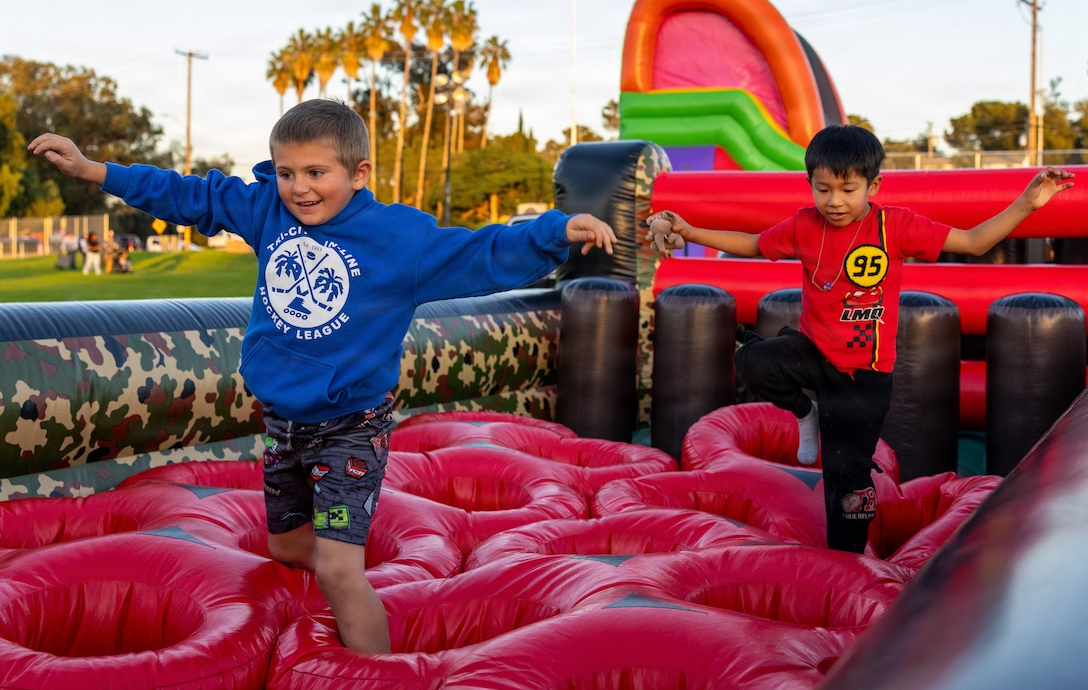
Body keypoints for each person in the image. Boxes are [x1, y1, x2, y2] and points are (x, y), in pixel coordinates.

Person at [28, 98, 617, 654]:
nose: (299, 188)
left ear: (359, 172)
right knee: (285, 545)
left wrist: (553, 231)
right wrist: (95, 170)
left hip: (349, 431)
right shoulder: (269, 211)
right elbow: (189, 195)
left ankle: (378, 668)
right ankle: (351, 576)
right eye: (286, 173)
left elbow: (483, 251)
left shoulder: (397, 240)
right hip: (285, 424)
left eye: (316, 173)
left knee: (338, 571)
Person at [647, 123, 1074, 554]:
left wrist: (1028, 203)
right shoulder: (804, 225)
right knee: (752, 362)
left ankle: (847, 557)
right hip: (815, 353)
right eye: (823, 189)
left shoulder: (895, 226)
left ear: (874, 185)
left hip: (863, 379)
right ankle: (805, 411)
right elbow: (754, 243)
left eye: (848, 190)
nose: (834, 202)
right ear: (810, 184)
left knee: (846, 478)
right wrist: (689, 230)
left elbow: (974, 242)